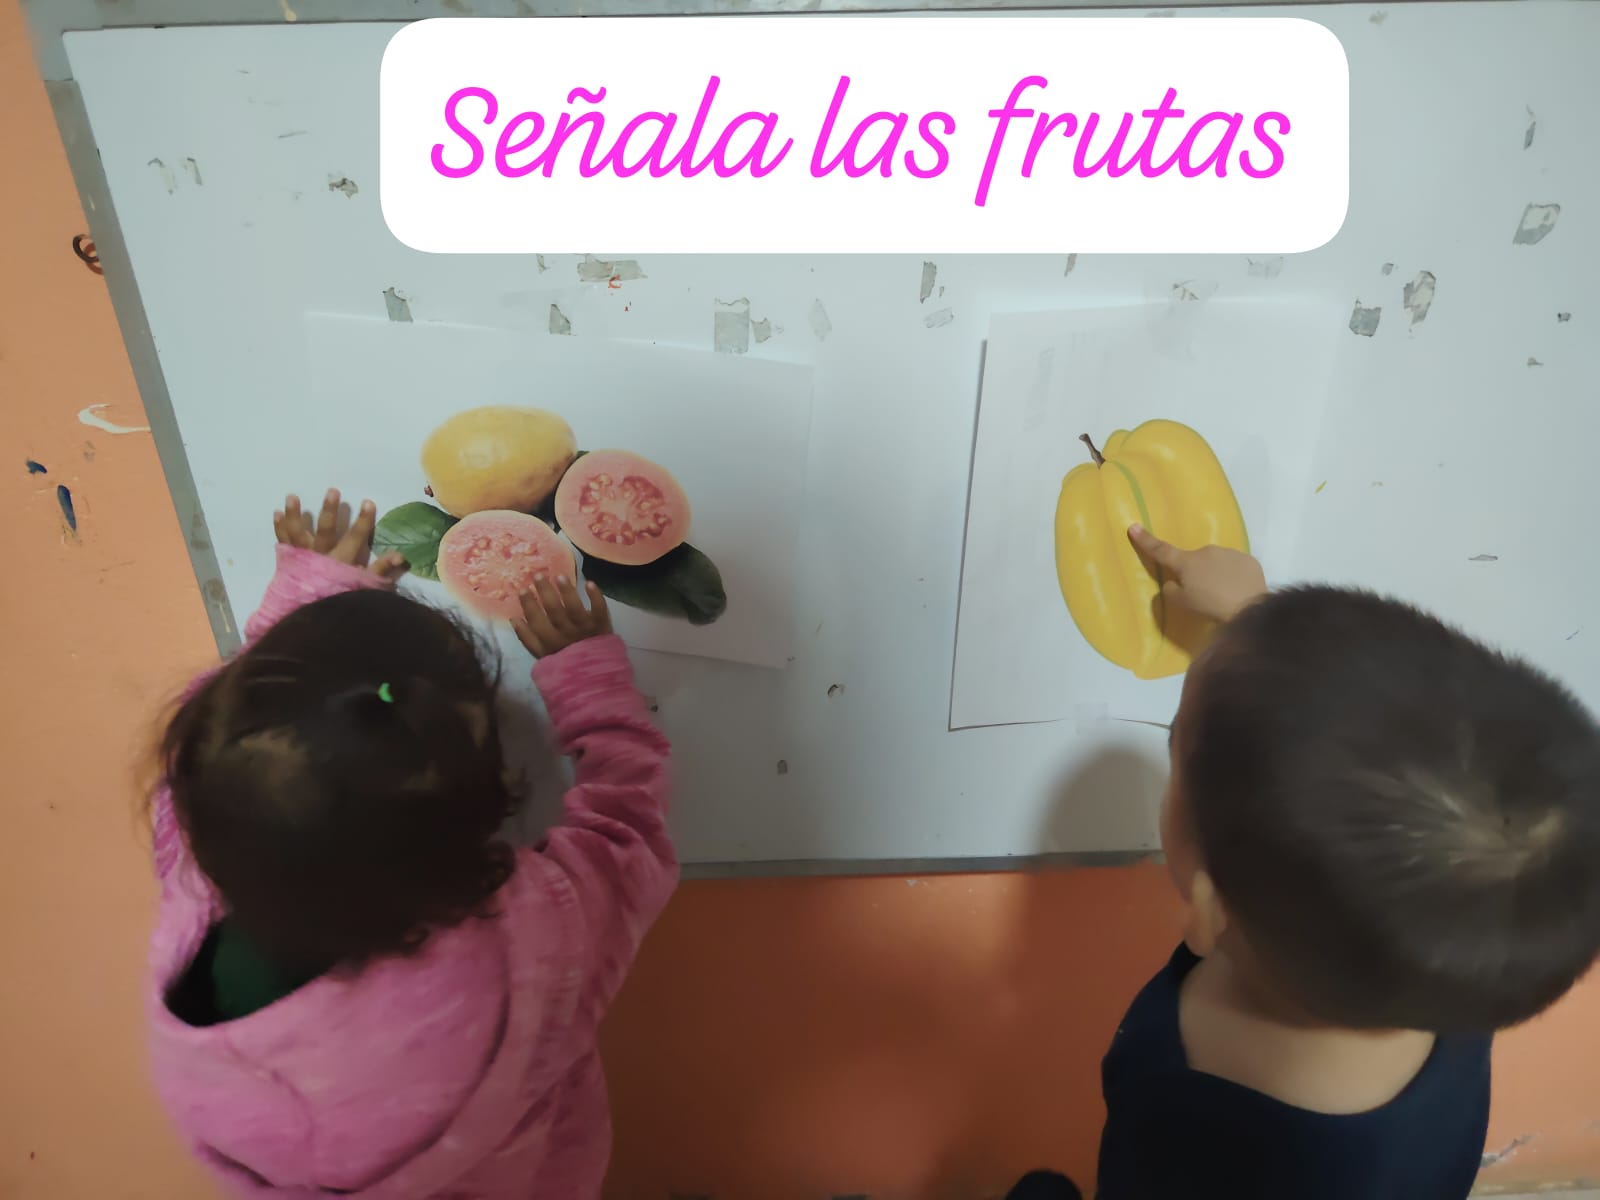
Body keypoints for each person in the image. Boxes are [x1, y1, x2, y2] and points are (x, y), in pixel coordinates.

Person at [1010, 524, 1600, 1200]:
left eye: (1176, 745)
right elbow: (1365, 759)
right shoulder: (1459, 952)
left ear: (1206, 910)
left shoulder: (1183, 1100)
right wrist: (1252, 620)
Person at [146, 487, 677, 1199]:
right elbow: (628, 827)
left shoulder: (197, 854)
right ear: (495, 797)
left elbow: (219, 751)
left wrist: (302, 608)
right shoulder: (536, 937)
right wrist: (587, 677)